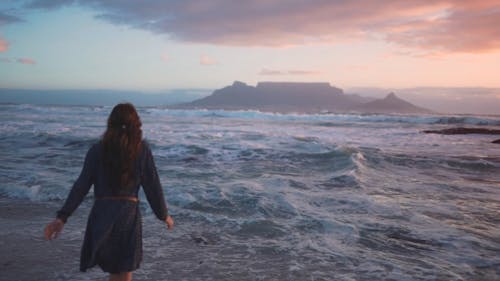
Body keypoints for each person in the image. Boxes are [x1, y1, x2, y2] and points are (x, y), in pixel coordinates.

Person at [44, 103, 174, 281]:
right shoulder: (141, 150)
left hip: (102, 213)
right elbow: (152, 186)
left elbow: (81, 185)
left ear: (110, 123)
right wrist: (163, 214)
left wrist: (62, 217)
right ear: (136, 124)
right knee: (123, 270)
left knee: (116, 271)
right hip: (127, 215)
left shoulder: (97, 150)